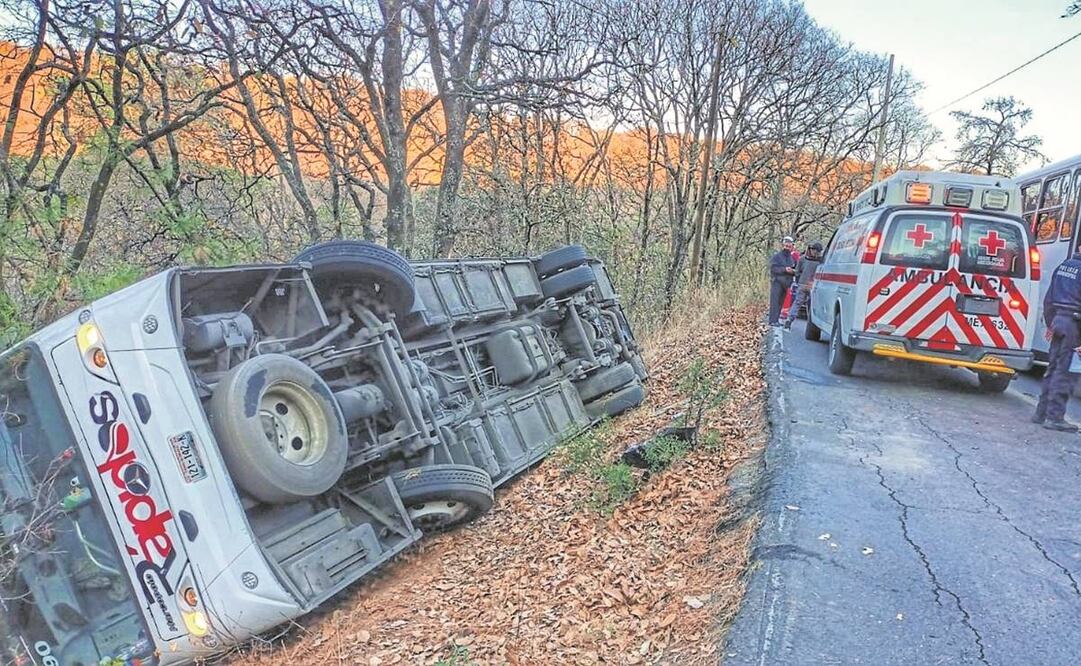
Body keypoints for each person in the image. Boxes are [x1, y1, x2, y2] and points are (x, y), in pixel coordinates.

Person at [1034, 241, 1081, 431]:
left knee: (1052, 369)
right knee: (1066, 372)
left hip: (1058, 321)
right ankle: (1055, 418)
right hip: (1074, 326)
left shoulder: (1063, 266)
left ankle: (1041, 413)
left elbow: (1049, 298)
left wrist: (1049, 323)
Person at [784, 242, 824, 329]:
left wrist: (792, 271)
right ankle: (812, 325)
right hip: (813, 286)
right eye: (817, 251)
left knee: (797, 303)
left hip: (802, 284)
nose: (817, 253)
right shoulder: (821, 261)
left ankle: (789, 320)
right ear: (812, 250)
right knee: (812, 305)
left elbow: (797, 272)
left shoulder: (802, 259)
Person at [768, 236, 797, 326]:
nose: (787, 246)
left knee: (781, 302)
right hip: (777, 282)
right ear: (783, 245)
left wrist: (793, 271)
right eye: (786, 244)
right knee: (775, 302)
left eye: (789, 245)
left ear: (792, 246)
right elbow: (773, 269)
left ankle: (776, 320)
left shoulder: (792, 258)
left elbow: (796, 269)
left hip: (786, 284)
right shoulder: (777, 256)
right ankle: (772, 320)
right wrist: (784, 269)